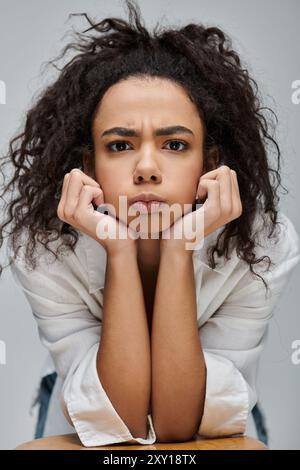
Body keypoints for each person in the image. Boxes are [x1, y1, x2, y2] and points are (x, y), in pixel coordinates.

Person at [1, 0, 299, 447]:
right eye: (120, 146)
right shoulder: (44, 244)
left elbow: (179, 426)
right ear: (90, 165)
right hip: (86, 408)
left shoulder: (262, 244)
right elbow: (122, 422)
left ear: (210, 162)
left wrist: (180, 248)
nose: (146, 168)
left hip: (210, 417)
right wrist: (118, 251)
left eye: (175, 145)